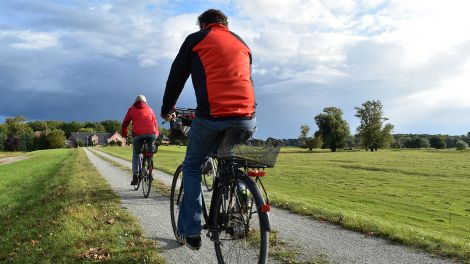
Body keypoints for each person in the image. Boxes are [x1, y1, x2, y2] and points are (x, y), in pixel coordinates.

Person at [161, 9, 257, 250]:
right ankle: (241, 195)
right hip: (247, 118)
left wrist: (167, 108)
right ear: (225, 24)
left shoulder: (196, 39)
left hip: (212, 116)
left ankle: (191, 233)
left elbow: (176, 76)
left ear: (203, 24)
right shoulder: (241, 43)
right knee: (231, 158)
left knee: (192, 167)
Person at [122, 95, 159, 185]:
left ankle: (135, 177)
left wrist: (124, 134)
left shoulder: (131, 109)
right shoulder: (150, 109)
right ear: (145, 102)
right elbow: (155, 123)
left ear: (135, 101)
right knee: (150, 152)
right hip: (151, 134)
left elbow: (125, 123)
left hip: (137, 135)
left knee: (136, 154)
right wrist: (156, 134)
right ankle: (150, 171)